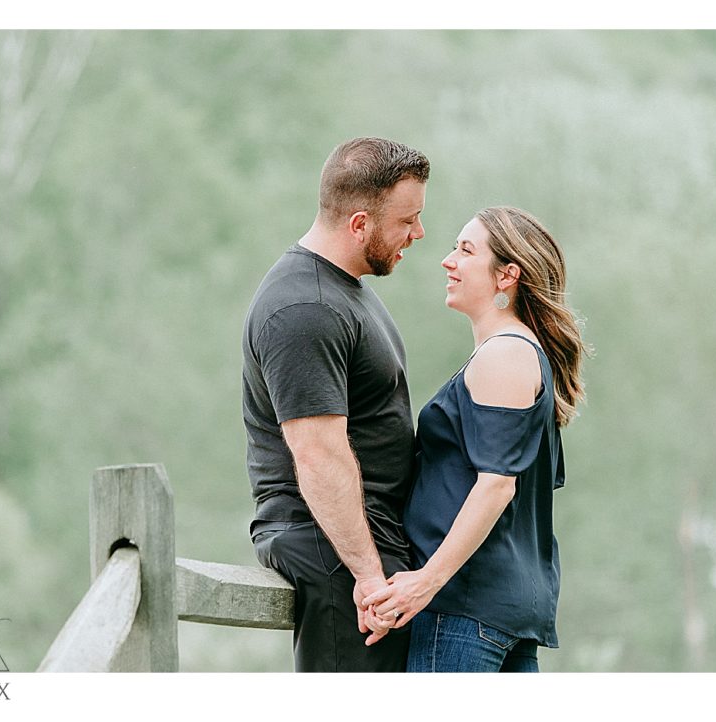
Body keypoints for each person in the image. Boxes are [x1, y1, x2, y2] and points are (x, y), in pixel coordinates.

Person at [361, 206, 587, 672]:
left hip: (465, 609)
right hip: (500, 610)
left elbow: (497, 485)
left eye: (465, 251)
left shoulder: (505, 354)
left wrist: (424, 582)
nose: (448, 261)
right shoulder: (515, 354)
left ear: (507, 275)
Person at [242, 137, 431, 672]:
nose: (418, 234)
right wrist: (369, 578)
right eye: (407, 221)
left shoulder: (345, 292)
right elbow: (318, 452)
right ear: (359, 224)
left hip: (365, 548)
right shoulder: (306, 306)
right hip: (335, 554)